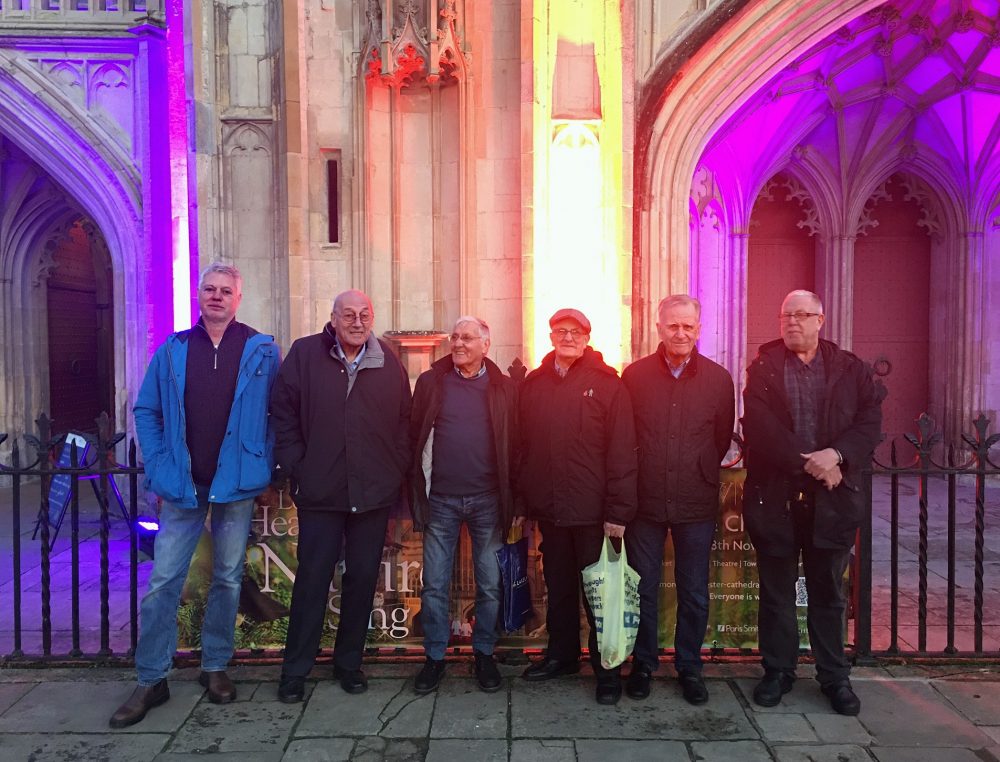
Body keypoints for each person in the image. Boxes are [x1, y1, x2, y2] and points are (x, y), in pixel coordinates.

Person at [110, 262, 280, 728]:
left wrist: (264, 465)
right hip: (185, 484)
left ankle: (215, 666)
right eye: (210, 289)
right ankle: (152, 677)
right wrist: (162, 466)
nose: (218, 296)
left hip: (236, 484)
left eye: (226, 290)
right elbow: (147, 410)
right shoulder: (173, 349)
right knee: (164, 580)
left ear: (238, 298)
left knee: (227, 577)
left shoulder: (262, 350)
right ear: (199, 295)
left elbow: (277, 414)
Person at [742, 289, 881, 716]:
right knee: (777, 593)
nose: (793, 323)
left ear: (821, 320)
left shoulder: (850, 369)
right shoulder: (763, 368)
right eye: (787, 315)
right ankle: (778, 671)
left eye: (803, 315)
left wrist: (837, 456)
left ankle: (834, 676)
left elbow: (870, 422)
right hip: (777, 501)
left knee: (828, 594)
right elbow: (760, 428)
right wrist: (814, 464)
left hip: (833, 502)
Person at [269, 289, 411, 702]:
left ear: (373, 317)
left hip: (371, 494)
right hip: (321, 492)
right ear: (332, 318)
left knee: (362, 581)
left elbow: (404, 422)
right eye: (347, 314)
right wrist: (298, 465)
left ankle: (349, 664)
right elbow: (284, 412)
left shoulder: (387, 362)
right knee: (312, 581)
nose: (356, 321)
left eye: (364, 314)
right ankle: (296, 669)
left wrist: (393, 468)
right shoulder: (305, 354)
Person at [516, 308, 638, 705]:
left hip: (593, 514)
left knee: (598, 594)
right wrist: (523, 501)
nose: (567, 337)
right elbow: (524, 449)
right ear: (550, 336)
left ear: (587, 338)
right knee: (560, 588)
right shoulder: (534, 385)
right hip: (552, 511)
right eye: (560, 330)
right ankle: (562, 656)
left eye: (576, 331)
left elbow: (622, 451)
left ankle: (607, 672)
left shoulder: (608, 385)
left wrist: (618, 511)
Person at [621, 295, 735, 704]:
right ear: (659, 328)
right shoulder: (633, 377)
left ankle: (690, 665)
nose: (681, 333)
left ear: (699, 329)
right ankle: (644, 664)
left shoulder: (719, 380)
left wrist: (699, 468)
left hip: (695, 501)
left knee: (694, 590)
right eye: (673, 326)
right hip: (646, 502)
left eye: (688, 326)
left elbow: (720, 437)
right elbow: (625, 437)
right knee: (644, 587)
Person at [409, 316, 518, 694]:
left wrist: (514, 499)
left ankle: (484, 653)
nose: (458, 343)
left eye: (467, 338)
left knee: (490, 584)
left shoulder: (504, 387)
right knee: (435, 584)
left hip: (488, 500)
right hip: (440, 498)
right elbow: (414, 436)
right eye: (455, 337)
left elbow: (515, 445)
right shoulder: (431, 383)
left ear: (486, 345)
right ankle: (435, 658)